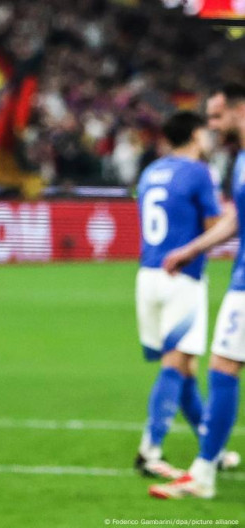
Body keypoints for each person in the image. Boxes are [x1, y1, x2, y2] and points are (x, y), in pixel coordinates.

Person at [152, 83, 245, 499]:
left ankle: (204, 474)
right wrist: (191, 249)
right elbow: (236, 220)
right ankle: (204, 470)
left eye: (217, 116)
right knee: (222, 364)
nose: (211, 125)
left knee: (222, 365)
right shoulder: (239, 160)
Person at [133, 111, 221, 480]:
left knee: (185, 368)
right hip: (181, 276)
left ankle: (211, 448)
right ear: (197, 135)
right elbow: (214, 227)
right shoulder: (199, 172)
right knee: (175, 364)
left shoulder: (151, 171)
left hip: (148, 275)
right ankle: (149, 451)